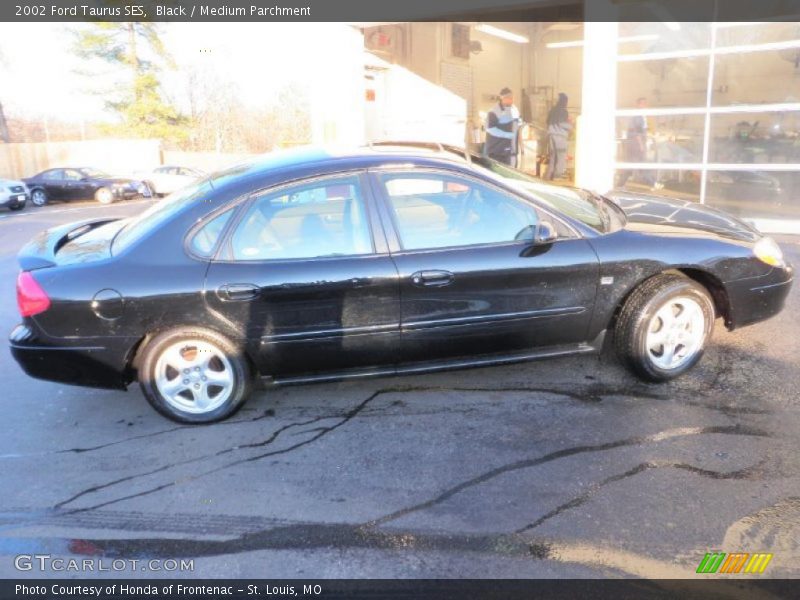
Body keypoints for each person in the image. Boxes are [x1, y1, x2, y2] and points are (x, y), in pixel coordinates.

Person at [485, 87, 521, 166]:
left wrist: (520, 123)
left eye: (512, 97)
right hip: (497, 152)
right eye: (508, 98)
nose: (511, 100)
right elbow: (490, 128)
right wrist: (506, 135)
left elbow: (517, 122)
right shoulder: (494, 111)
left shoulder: (514, 109)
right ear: (502, 98)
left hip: (511, 151)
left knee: (512, 173)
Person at [546, 92, 571, 180]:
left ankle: (548, 177)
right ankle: (557, 177)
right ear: (565, 101)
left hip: (551, 135)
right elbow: (562, 124)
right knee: (561, 157)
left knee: (553, 158)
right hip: (560, 136)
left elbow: (547, 121)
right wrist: (571, 125)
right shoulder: (564, 111)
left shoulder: (552, 109)